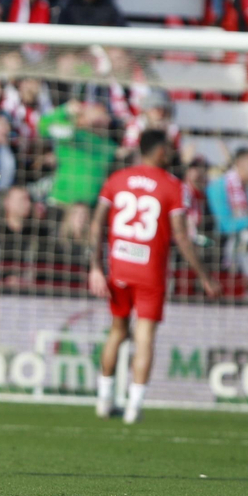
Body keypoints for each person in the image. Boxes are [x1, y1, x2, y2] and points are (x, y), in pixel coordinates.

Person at [87, 128, 221, 424]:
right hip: (150, 272)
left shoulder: (117, 179)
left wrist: (95, 267)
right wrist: (204, 276)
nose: (172, 154)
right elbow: (182, 237)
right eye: (170, 149)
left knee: (117, 331)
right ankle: (134, 407)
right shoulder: (173, 186)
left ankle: (103, 400)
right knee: (144, 337)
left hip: (118, 268)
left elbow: (96, 225)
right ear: (160, 151)